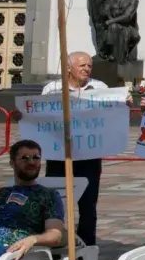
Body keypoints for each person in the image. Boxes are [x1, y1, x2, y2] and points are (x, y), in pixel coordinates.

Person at [42, 51, 108, 246]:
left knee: (88, 205)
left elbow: (111, 114)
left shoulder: (100, 88)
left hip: (89, 155)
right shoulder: (52, 89)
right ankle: (57, 243)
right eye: (82, 65)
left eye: (89, 66)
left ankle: (86, 248)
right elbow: (41, 117)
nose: (87, 69)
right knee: (56, 203)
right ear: (68, 68)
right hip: (59, 155)